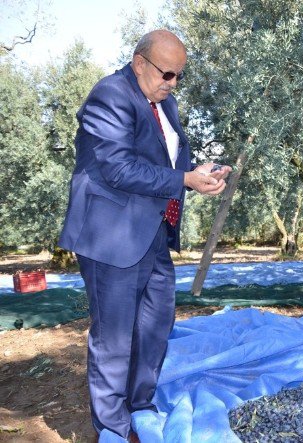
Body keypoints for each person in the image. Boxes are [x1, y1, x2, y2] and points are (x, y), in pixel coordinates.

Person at [58, 30, 232, 441]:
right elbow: (120, 167)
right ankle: (112, 427)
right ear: (140, 63)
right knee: (114, 336)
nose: (173, 84)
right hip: (111, 237)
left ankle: (140, 406)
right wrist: (185, 179)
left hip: (152, 232)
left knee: (155, 325)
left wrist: (197, 173)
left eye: (178, 76)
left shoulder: (162, 101)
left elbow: (166, 158)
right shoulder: (110, 96)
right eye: (167, 74)